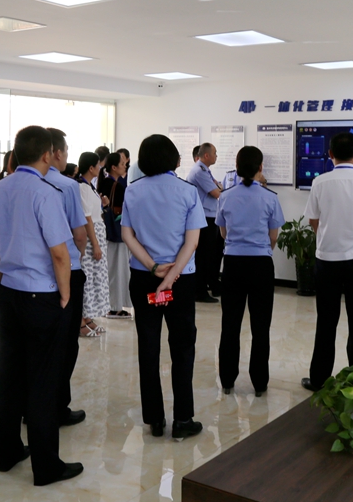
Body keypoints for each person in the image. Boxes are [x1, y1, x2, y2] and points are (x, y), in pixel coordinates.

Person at [0, 125, 84, 486]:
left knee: (8, 374)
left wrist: (2, 280)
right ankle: (46, 467)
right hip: (42, 295)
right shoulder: (46, 192)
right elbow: (60, 253)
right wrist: (65, 294)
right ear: (47, 154)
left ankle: (6, 452)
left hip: (9, 293)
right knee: (43, 380)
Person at [121, 134, 206, 439]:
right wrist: (169, 279)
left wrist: (153, 268)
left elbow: (128, 236)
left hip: (145, 278)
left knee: (148, 345)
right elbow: (192, 242)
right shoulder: (187, 191)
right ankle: (183, 419)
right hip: (180, 280)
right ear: (174, 160)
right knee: (182, 347)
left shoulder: (132, 190)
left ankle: (154, 419)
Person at [301, 132, 353, 392]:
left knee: (326, 322)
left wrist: (326, 235)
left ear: (330, 154)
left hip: (328, 260)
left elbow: (313, 220)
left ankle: (319, 379)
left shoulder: (320, 182)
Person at [215, 146, 284, 397]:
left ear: (237, 167)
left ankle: (227, 380)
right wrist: (261, 249)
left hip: (233, 264)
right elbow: (273, 236)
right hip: (261, 266)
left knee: (230, 324)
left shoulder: (225, 196)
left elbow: (223, 233)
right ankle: (260, 382)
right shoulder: (270, 197)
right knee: (261, 326)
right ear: (260, 167)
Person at [44, 128, 90, 427]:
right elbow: (79, 233)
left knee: (37, 345)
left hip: (29, 277)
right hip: (66, 270)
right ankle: (57, 406)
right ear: (57, 153)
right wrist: (78, 256)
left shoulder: (8, 184)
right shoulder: (66, 185)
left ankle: (32, 404)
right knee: (64, 343)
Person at [77, 152, 110, 336]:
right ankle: (81, 320)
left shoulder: (90, 186)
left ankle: (88, 316)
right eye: (98, 165)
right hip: (91, 237)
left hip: (97, 232)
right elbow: (87, 218)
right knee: (88, 278)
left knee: (96, 277)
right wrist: (95, 244)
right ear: (91, 168)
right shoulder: (81, 187)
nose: (100, 168)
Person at [187, 143, 223, 303]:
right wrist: (219, 189)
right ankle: (199, 291)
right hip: (203, 218)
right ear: (206, 155)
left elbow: (220, 187)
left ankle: (207, 286)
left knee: (209, 255)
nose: (216, 156)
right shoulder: (199, 171)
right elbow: (217, 192)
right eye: (215, 153)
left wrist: (220, 188)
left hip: (209, 217)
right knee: (203, 256)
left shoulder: (205, 170)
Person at [99, 152, 132, 318]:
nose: (125, 166)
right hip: (117, 233)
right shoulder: (116, 187)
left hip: (107, 231)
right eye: (122, 163)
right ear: (113, 167)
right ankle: (114, 306)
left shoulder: (103, 183)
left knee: (112, 269)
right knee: (117, 269)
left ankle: (113, 304)